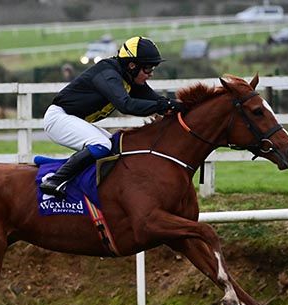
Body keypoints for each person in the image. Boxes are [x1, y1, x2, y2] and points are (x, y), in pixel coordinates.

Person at [39, 36, 184, 199]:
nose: (150, 74)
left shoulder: (128, 76)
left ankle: (55, 166)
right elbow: (126, 105)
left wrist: (180, 106)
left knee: (115, 147)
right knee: (102, 145)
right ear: (132, 65)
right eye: (148, 68)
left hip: (72, 119)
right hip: (58, 118)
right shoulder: (108, 74)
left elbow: (157, 101)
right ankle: (54, 181)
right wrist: (164, 106)